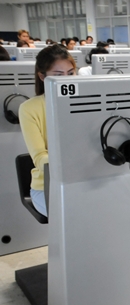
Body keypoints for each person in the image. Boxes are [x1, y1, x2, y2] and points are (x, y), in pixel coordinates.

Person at [19, 45, 77, 218]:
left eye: (71, 73)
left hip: (85, 181)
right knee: (79, 216)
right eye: (58, 75)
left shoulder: (89, 102)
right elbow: (40, 158)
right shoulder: (29, 108)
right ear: (42, 77)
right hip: (47, 186)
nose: (66, 80)